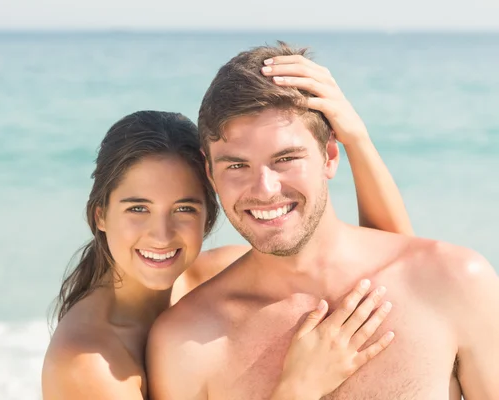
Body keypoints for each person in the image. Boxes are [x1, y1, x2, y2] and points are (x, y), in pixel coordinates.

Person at [41, 56, 414, 399]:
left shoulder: (218, 275)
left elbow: (395, 266)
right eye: (138, 208)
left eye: (184, 208)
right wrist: (298, 388)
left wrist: (356, 139)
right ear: (99, 216)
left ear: (210, 213)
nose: (161, 233)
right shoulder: (88, 362)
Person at [146, 42, 499, 400]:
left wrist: (357, 136)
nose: (265, 189)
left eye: (285, 158)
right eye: (237, 165)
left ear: (330, 155)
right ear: (210, 173)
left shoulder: (453, 281)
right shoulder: (188, 340)